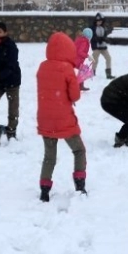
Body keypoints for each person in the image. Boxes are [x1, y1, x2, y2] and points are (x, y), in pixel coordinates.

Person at [36, 32, 88, 202]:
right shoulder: (67, 69)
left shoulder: (42, 67)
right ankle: (80, 185)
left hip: (45, 118)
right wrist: (77, 80)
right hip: (64, 119)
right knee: (79, 150)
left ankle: (44, 191)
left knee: (49, 157)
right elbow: (74, 96)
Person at [90, 13, 114, 79]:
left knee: (108, 58)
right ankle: (92, 72)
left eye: (100, 21)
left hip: (103, 46)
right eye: (98, 21)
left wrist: (105, 39)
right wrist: (98, 39)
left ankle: (108, 74)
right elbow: (91, 37)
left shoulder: (103, 27)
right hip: (96, 47)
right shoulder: (92, 28)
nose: (99, 22)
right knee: (95, 60)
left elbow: (105, 35)